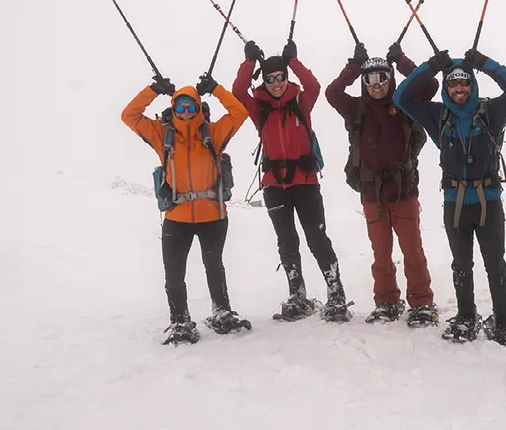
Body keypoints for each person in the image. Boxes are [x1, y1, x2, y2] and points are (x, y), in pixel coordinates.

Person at [393, 47, 506, 346]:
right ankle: (466, 316)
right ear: (446, 87)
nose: (458, 89)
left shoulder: (491, 112)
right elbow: (400, 97)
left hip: (488, 202)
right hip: (455, 203)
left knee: (495, 264)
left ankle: (504, 321)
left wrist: (486, 63)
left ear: (472, 84)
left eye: (464, 82)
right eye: (452, 83)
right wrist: (430, 67)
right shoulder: (437, 115)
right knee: (461, 264)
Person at [122, 72, 251, 345]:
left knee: (214, 265)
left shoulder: (213, 133)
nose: (185, 112)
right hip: (177, 217)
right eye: (179, 107)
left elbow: (239, 113)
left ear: (198, 107)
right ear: (173, 109)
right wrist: (153, 90)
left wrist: (216, 88)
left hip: (213, 216)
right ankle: (180, 321)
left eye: (191, 106)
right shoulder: (163, 136)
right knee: (174, 272)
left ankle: (222, 312)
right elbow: (129, 115)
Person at [232, 40, 351, 322]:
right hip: (274, 185)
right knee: (286, 241)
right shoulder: (259, 108)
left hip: (305, 182)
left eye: (280, 77)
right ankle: (297, 294)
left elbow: (314, 85)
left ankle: (336, 294)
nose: (276, 83)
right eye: (270, 79)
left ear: (286, 77)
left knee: (317, 238)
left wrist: (293, 61)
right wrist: (249, 62)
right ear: (264, 81)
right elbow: (238, 91)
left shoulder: (301, 102)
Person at [326, 40, 439, 327]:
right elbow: (332, 92)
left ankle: (422, 303)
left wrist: (401, 60)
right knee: (381, 253)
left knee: (412, 250)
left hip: (404, 191)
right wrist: (354, 66)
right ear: (364, 83)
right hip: (371, 193)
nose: (376, 84)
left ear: (391, 79)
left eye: (382, 78)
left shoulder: (405, 103)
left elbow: (430, 86)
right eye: (370, 79)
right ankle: (386, 301)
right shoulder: (356, 109)